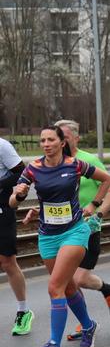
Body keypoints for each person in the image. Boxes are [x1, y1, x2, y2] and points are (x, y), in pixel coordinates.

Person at [10, 126, 110, 347]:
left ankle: (53, 345)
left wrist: (94, 205)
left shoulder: (74, 164)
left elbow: (106, 180)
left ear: (61, 142)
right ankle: (88, 326)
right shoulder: (33, 168)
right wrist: (20, 194)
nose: (46, 144)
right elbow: (13, 203)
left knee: (54, 287)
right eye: (42, 140)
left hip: (75, 232)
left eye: (50, 140)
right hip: (47, 235)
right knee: (67, 288)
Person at [49, 120, 110, 342]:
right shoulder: (54, 164)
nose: (61, 140)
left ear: (75, 138)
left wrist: (97, 214)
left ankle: (107, 288)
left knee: (78, 279)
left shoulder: (88, 160)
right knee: (68, 282)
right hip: (62, 230)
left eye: (65, 136)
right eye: (57, 135)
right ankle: (86, 323)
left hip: (87, 229)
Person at [0, 135, 32, 335]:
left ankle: (23, 310)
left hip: (2, 209)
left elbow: (22, 172)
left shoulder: (2, 145)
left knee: (7, 262)